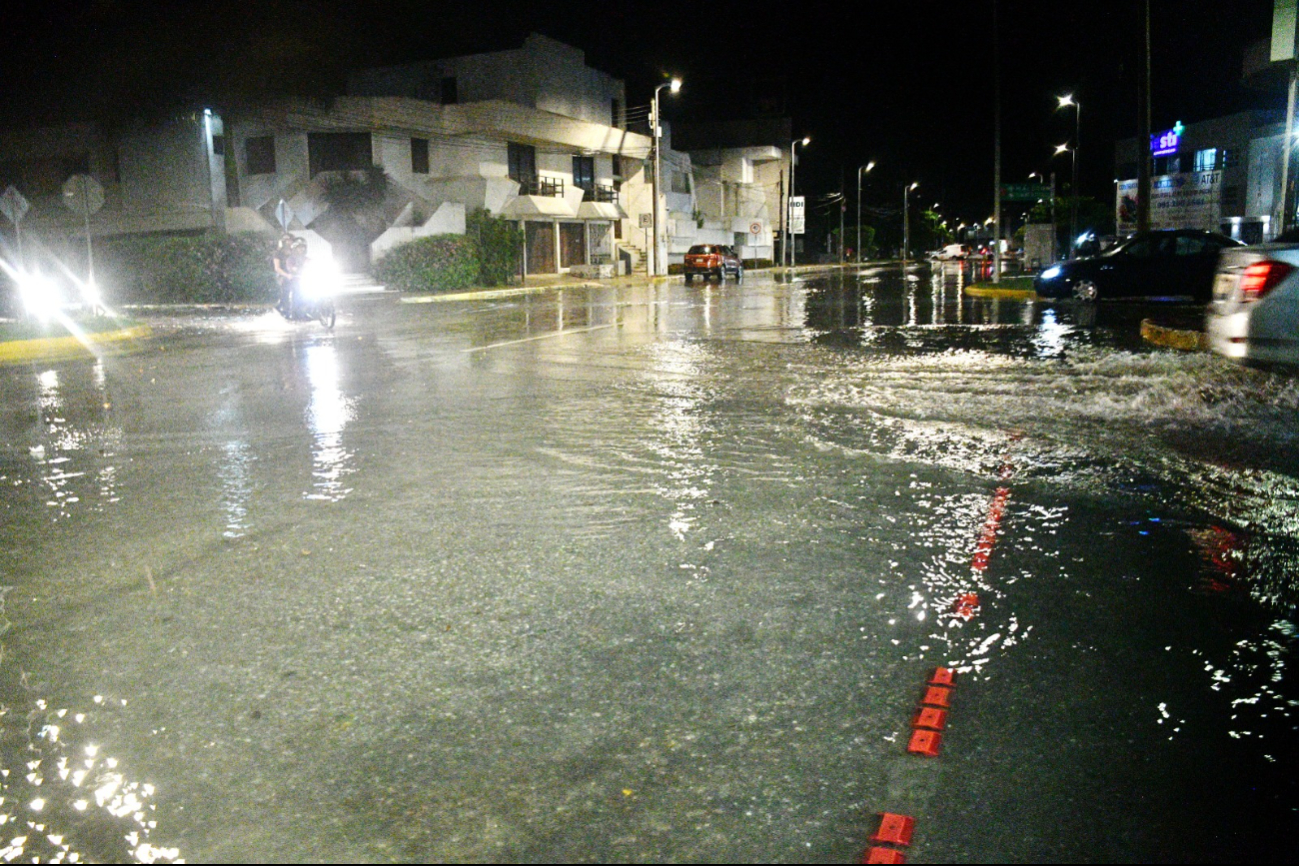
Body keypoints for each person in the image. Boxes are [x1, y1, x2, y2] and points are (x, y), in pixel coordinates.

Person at [273, 234, 296, 314]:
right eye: (288, 241)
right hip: (283, 275)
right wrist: (287, 275)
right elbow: (277, 268)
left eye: (291, 241)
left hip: (294, 275)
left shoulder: (295, 252)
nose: (290, 243)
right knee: (286, 289)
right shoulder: (278, 253)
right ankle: (284, 307)